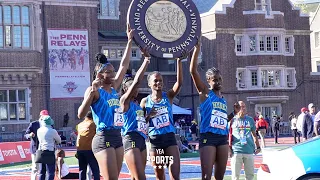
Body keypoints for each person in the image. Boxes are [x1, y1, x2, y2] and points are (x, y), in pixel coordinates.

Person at [77, 24, 133, 179]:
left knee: (116, 177)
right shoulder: (94, 91)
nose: (113, 74)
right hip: (103, 137)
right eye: (109, 72)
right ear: (99, 74)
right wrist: (91, 95)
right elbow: (80, 114)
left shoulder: (114, 87)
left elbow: (124, 65)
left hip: (117, 136)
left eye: (113, 71)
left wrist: (129, 42)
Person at [140, 49, 186, 179]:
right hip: (156, 140)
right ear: (149, 84)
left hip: (170, 139)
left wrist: (179, 61)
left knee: (175, 175)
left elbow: (180, 83)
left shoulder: (169, 96)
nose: (158, 83)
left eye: (160, 80)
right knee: (160, 175)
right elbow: (140, 123)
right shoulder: (145, 101)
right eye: (155, 81)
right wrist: (149, 115)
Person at [190, 37, 229, 180]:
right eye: (214, 80)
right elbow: (193, 71)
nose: (217, 82)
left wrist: (233, 113)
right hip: (208, 137)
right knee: (206, 176)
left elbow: (223, 120)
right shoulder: (205, 93)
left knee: (220, 176)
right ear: (209, 81)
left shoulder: (223, 99)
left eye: (219, 79)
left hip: (222, 138)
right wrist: (197, 49)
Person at [120, 48, 151, 180]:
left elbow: (139, 121)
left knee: (135, 176)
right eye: (133, 87)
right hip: (130, 139)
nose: (136, 89)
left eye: (137, 88)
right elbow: (137, 80)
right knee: (141, 177)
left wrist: (148, 116)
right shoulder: (124, 101)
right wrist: (146, 60)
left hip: (141, 139)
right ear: (126, 89)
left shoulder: (137, 105)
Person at [230, 101, 261, 180]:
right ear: (236, 108)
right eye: (241, 107)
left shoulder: (250, 120)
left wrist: (258, 146)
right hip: (236, 151)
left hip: (249, 150)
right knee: (235, 176)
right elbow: (227, 135)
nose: (243, 108)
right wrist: (228, 149)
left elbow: (254, 134)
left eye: (244, 106)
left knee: (250, 176)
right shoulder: (232, 120)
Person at [25, 110, 49, 180]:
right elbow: (26, 134)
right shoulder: (33, 124)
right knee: (35, 167)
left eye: (47, 117)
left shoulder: (49, 125)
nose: (46, 118)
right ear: (40, 116)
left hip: (45, 148)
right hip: (35, 148)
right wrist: (30, 135)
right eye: (44, 117)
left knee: (45, 167)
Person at [76, 111, 100, 180]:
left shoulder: (80, 125)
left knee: (82, 169)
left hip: (80, 149)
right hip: (90, 149)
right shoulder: (93, 124)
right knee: (95, 169)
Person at [37, 115, 61, 180]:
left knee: (42, 172)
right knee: (50, 172)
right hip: (49, 151)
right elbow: (59, 140)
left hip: (40, 151)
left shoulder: (39, 130)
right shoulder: (53, 131)